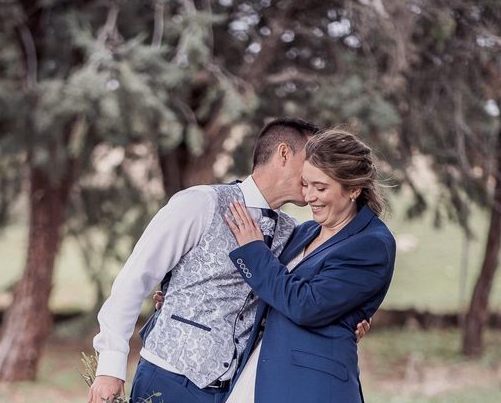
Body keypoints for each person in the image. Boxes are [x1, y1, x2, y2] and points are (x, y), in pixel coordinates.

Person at [88, 118, 370, 403]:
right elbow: (134, 280)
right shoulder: (200, 203)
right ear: (284, 154)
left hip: (237, 390)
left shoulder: (294, 233)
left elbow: (301, 297)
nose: (316, 172)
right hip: (168, 377)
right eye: (312, 159)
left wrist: (346, 320)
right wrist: (110, 367)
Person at [223, 129, 396, 403]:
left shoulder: (372, 244)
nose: (309, 196)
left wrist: (254, 251)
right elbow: (270, 293)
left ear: (353, 189)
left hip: (311, 387)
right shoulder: (305, 231)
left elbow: (306, 305)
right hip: (261, 372)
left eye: (321, 187)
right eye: (306, 184)